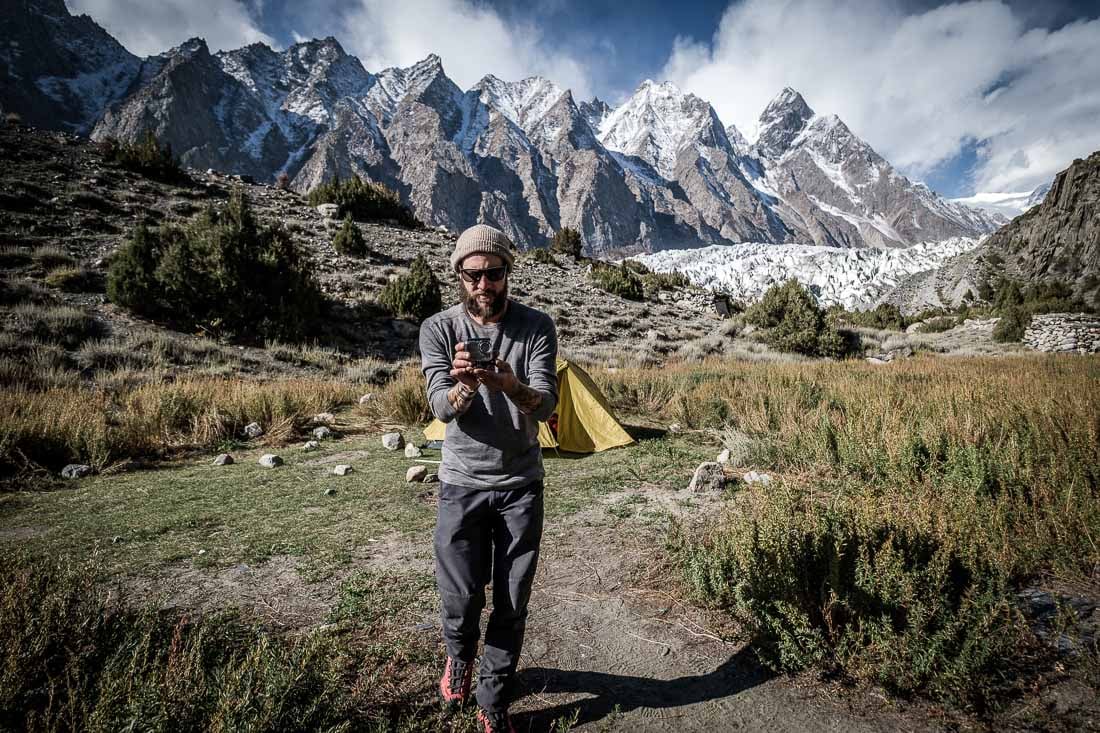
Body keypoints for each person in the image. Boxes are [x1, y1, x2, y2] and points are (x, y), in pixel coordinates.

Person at [419, 224, 559, 733]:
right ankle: (459, 658)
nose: (484, 284)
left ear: (507, 274)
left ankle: (493, 698)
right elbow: (440, 406)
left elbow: (547, 404)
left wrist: (509, 383)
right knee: (459, 597)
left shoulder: (536, 327)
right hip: (461, 484)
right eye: (473, 274)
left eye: (494, 273)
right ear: (459, 275)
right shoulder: (438, 329)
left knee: (512, 598)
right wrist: (464, 388)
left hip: (521, 485)